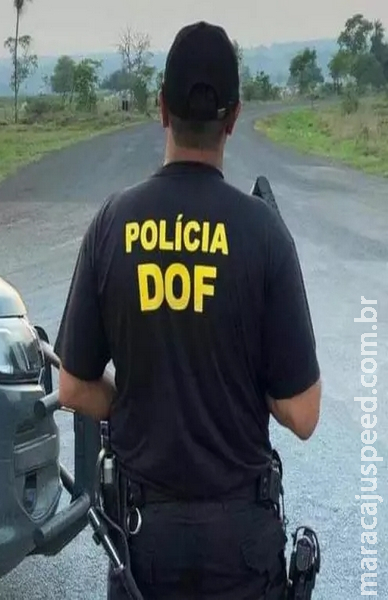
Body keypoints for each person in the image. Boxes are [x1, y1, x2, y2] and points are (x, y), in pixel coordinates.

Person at [54, 21, 322, 600]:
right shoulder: (264, 234)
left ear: (161, 109)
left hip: (145, 542)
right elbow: (302, 414)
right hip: (241, 549)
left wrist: (140, 399)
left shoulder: (113, 224)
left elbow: (73, 389)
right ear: (233, 118)